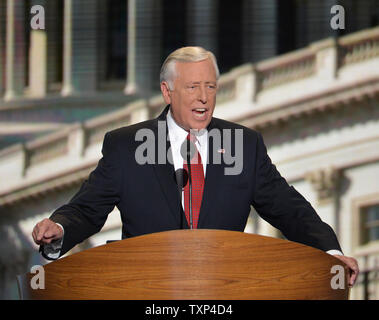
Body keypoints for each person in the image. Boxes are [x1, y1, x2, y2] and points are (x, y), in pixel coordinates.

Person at [32, 46, 359, 286]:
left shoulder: (242, 145)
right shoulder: (128, 146)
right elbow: (88, 209)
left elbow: (288, 209)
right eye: (192, 87)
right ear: (167, 92)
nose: (204, 98)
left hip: (224, 292)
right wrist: (59, 228)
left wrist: (328, 252)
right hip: (146, 290)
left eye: (210, 87)